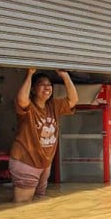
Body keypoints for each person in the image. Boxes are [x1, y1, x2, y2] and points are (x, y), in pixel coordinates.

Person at [9, 68, 78, 203]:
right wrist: (29, 74)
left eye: (49, 85)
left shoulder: (53, 105)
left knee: (38, 202)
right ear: (33, 89)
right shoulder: (28, 107)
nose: (47, 87)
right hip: (26, 161)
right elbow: (22, 99)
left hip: (44, 163)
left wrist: (64, 75)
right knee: (22, 205)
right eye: (42, 84)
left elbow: (73, 100)